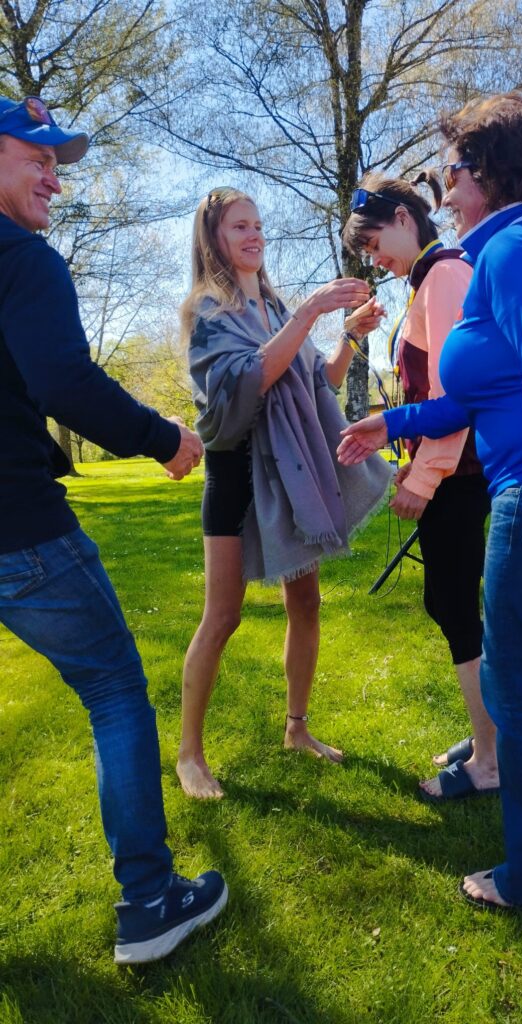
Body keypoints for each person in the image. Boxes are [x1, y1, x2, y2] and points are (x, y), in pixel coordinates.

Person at [338, 91, 522, 912]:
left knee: (517, 689)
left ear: (487, 174)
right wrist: (389, 420)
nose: (443, 185)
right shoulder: (505, 250)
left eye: (452, 169)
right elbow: (477, 398)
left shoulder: (515, 250)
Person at [0, 94, 227, 963]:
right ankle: (150, 902)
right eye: (38, 156)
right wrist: (162, 436)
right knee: (114, 693)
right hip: (18, 530)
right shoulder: (23, 260)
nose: (55, 176)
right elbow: (60, 378)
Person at [177, 186, 392, 799]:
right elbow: (244, 388)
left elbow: (314, 381)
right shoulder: (208, 311)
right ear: (213, 237)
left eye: (257, 225)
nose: (253, 235)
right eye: (239, 226)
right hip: (237, 474)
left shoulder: (273, 306)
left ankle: (296, 728)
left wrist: (346, 333)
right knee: (223, 616)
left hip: (288, 470)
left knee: (307, 603)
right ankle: (190, 754)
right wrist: (310, 313)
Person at [341, 173, 496, 801]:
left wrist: (425, 476)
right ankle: (490, 734)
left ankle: (490, 761)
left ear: (406, 217)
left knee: (455, 603)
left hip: (460, 475)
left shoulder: (445, 276)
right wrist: (414, 464)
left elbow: (457, 395)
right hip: (445, 471)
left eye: (375, 242)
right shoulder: (426, 280)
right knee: (455, 603)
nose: (375, 258)